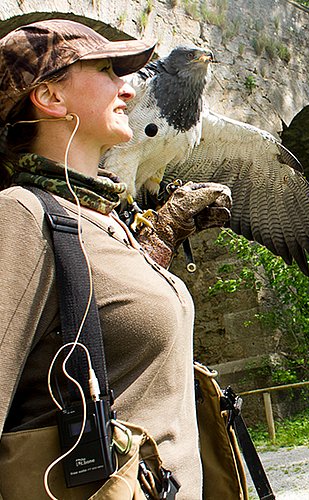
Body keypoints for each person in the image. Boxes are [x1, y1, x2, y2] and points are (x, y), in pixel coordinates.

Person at [0, 19, 231, 499]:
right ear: (50, 98)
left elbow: (104, 328)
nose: (129, 87)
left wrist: (160, 238)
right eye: (107, 70)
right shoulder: (20, 216)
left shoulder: (100, 219)